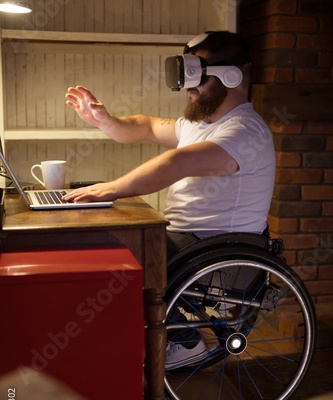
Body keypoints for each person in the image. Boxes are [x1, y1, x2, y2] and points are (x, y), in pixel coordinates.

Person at [64, 31, 276, 369]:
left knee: (122, 257)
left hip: (217, 248)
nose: (189, 89)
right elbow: (147, 126)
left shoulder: (245, 132)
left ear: (231, 76)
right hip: (188, 241)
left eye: (198, 79)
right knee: (113, 249)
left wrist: (112, 188)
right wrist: (104, 120)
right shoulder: (202, 123)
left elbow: (176, 163)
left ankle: (184, 341)